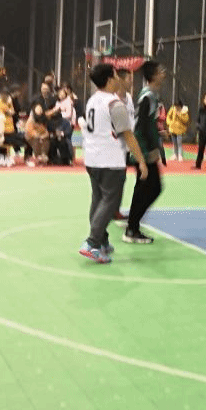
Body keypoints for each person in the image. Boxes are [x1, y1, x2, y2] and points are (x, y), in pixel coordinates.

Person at [80, 63, 147, 263]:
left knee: (98, 200)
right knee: (110, 202)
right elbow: (128, 135)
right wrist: (141, 161)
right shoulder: (114, 104)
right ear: (110, 80)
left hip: (92, 159)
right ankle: (91, 243)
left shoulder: (93, 100)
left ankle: (101, 241)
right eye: (116, 75)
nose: (119, 78)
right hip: (110, 160)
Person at [124, 60, 167, 244]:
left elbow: (146, 124)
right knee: (153, 188)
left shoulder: (150, 96)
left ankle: (132, 224)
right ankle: (132, 227)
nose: (163, 72)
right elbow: (141, 126)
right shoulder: (147, 97)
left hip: (144, 149)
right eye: (160, 70)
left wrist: (158, 134)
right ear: (154, 75)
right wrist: (150, 149)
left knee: (143, 188)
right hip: (143, 151)